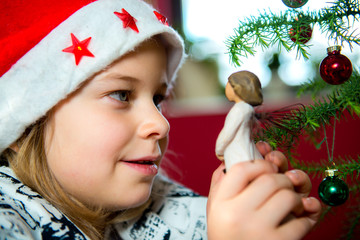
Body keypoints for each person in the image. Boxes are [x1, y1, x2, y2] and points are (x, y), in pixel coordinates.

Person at [0, 0, 321, 239]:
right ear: (23, 120)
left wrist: (255, 214)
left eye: (158, 99)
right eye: (122, 95)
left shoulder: (165, 206)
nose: (161, 124)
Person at [216, 71, 264, 171]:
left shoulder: (239, 109)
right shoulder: (248, 109)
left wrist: (219, 149)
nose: (226, 88)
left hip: (239, 155)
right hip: (250, 152)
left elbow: (228, 132)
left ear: (237, 88)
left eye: (228, 85)